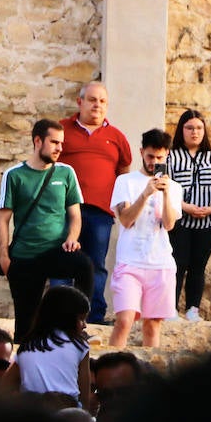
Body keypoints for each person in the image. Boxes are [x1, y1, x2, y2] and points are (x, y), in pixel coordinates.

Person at [0, 119, 93, 342]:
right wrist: (3, 257)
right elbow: (3, 219)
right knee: (24, 329)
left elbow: (75, 215)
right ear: (37, 141)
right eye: (54, 142)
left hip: (55, 250)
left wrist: (72, 238)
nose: (60, 148)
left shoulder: (66, 172)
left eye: (61, 143)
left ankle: (78, 322)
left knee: (84, 266)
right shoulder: (14, 175)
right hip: (23, 256)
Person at [58, 81, 132, 325]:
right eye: (92, 100)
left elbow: (123, 171)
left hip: (100, 212)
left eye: (102, 101)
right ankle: (59, 317)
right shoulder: (61, 130)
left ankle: (93, 316)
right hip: (64, 210)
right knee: (63, 263)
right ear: (80, 102)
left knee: (95, 266)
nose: (97, 105)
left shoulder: (117, 137)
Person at [108, 129, 182, 348]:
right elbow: (126, 220)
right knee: (124, 320)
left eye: (159, 158)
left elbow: (169, 224)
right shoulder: (125, 181)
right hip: (130, 262)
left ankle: (148, 378)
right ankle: (109, 372)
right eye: (150, 156)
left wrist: (166, 193)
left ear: (167, 155)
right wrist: (145, 194)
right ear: (142, 152)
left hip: (160, 264)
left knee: (152, 325)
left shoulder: (175, 188)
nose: (154, 162)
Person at [166, 110, 211, 322]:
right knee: (177, 264)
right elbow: (167, 188)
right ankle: (170, 310)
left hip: (208, 223)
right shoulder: (171, 157)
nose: (195, 132)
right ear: (181, 130)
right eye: (190, 128)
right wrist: (186, 207)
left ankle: (193, 309)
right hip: (179, 221)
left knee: (198, 266)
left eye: (199, 128)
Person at [4, 284, 92, 411]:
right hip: (67, 412)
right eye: (81, 319)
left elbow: (5, 387)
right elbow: (85, 397)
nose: (84, 325)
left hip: (32, 411)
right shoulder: (80, 346)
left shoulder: (27, 347)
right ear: (66, 318)